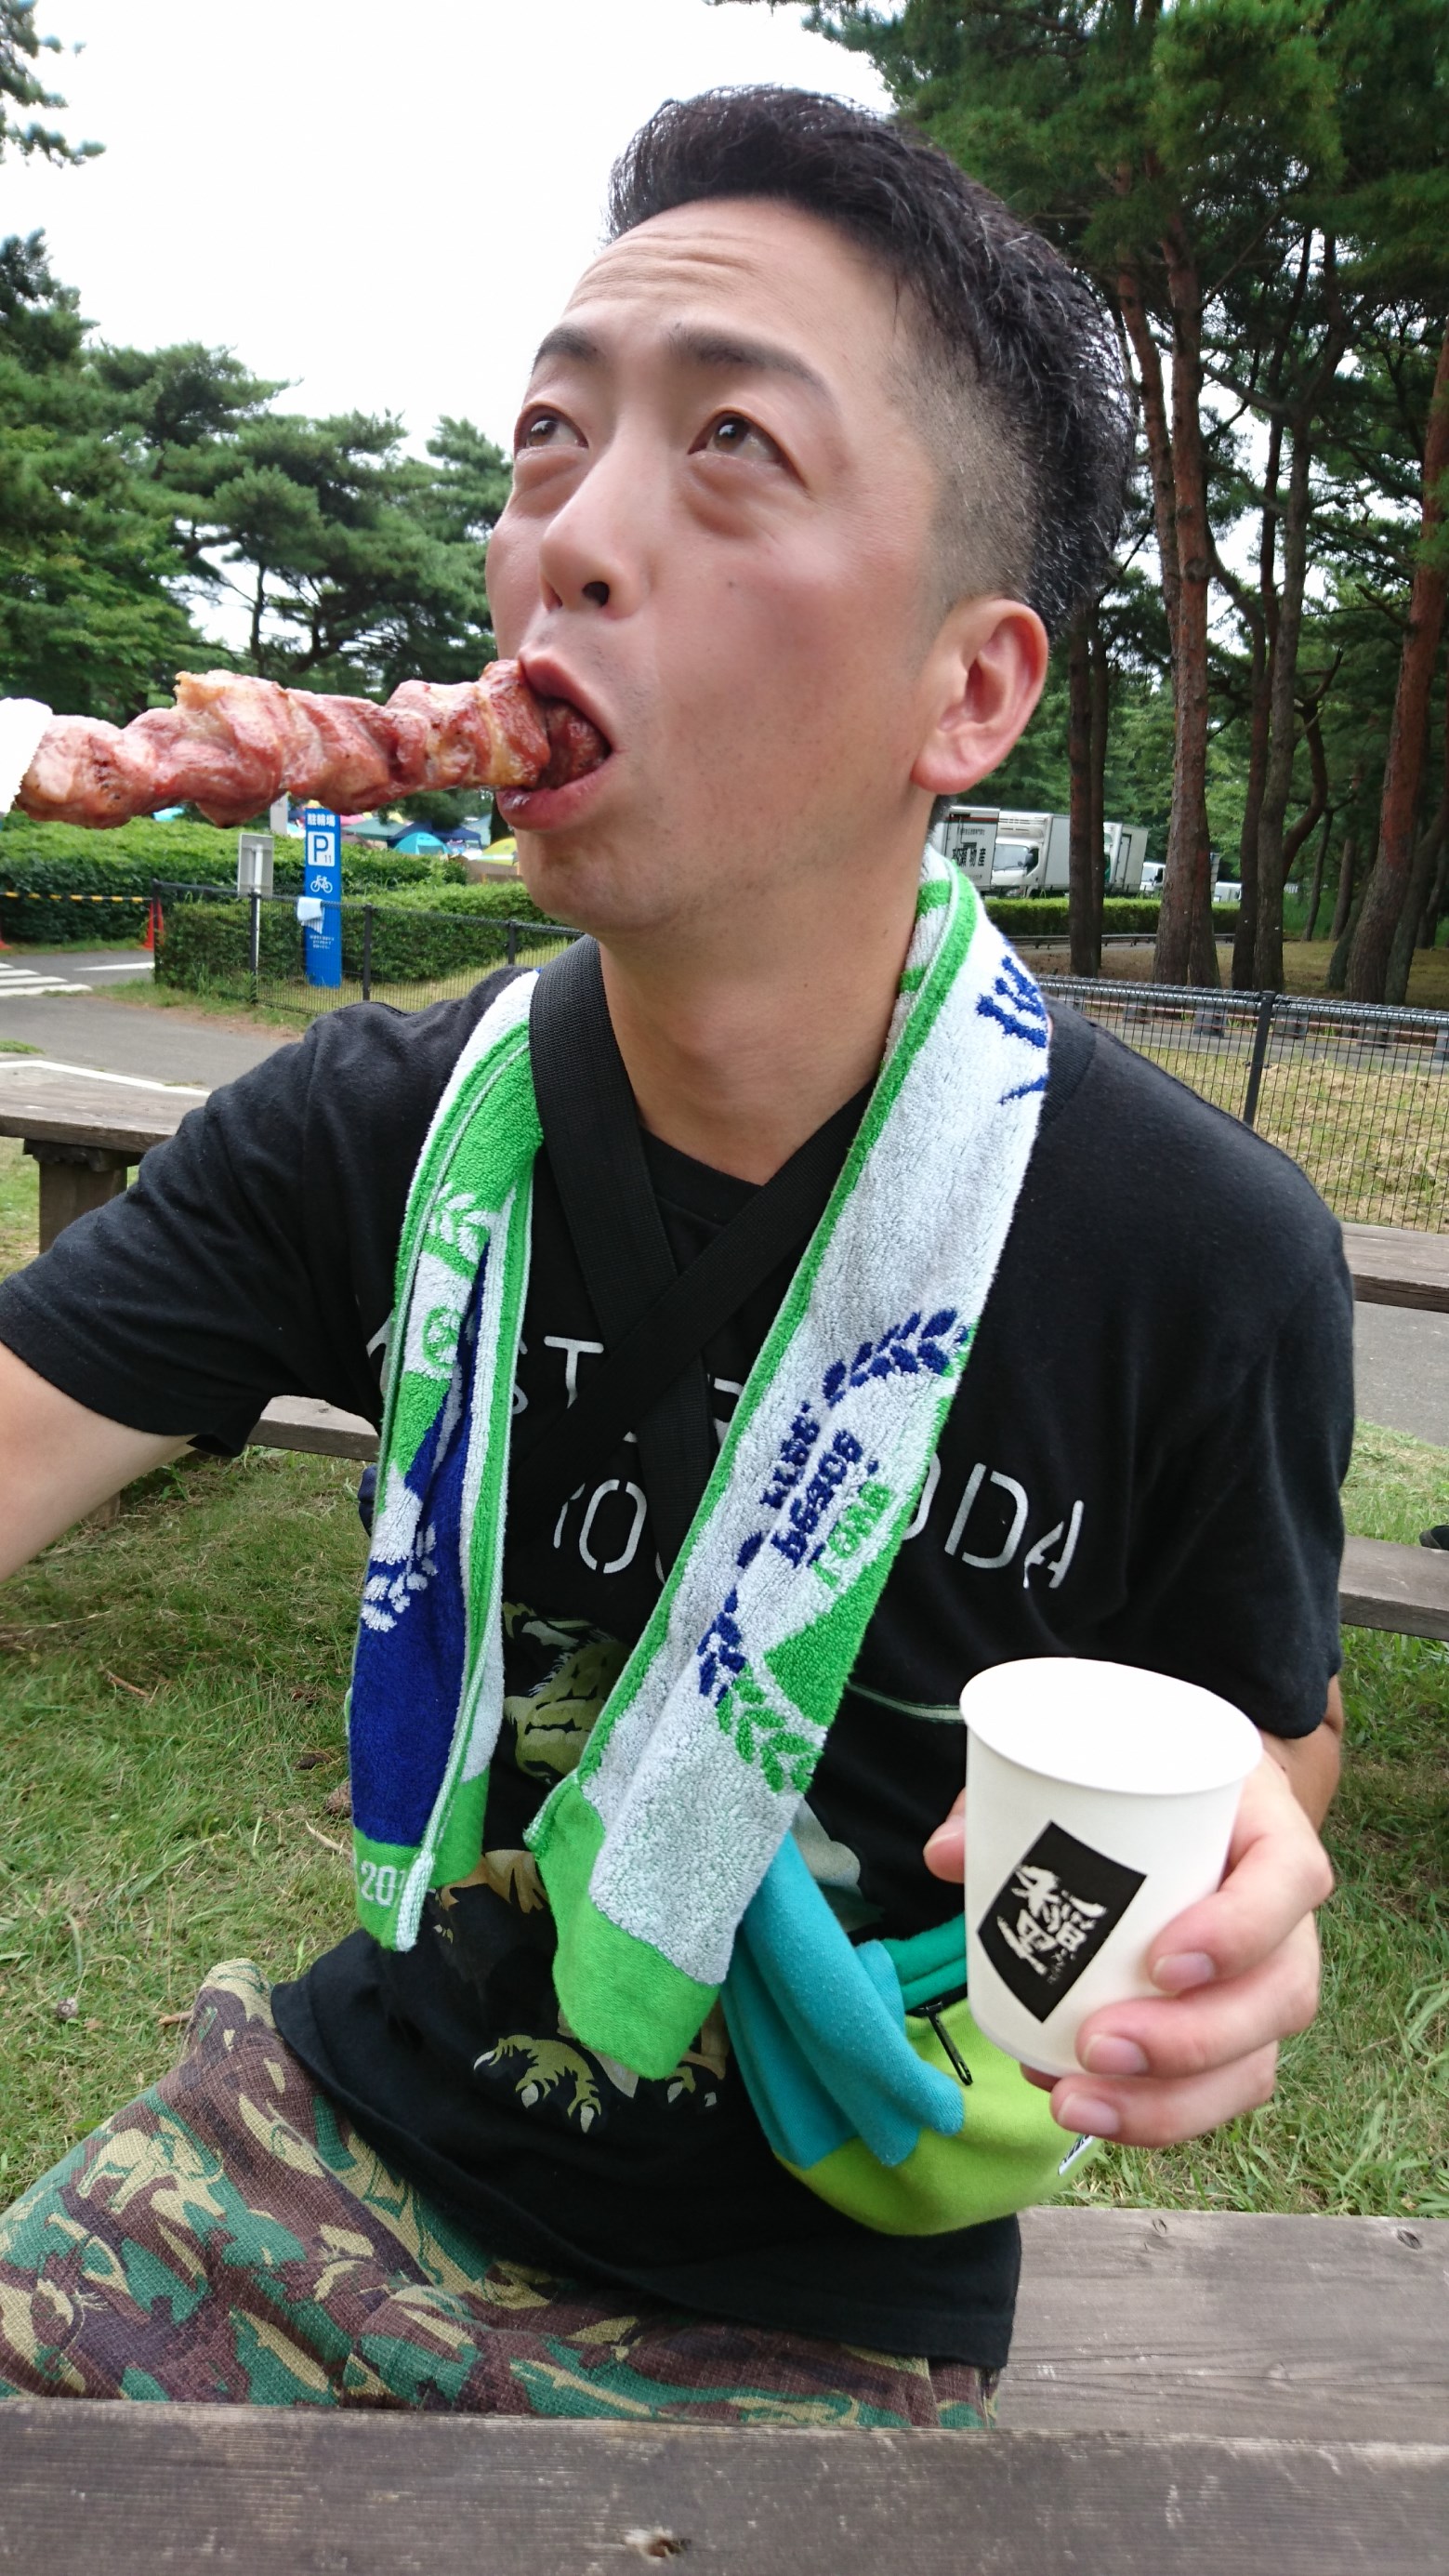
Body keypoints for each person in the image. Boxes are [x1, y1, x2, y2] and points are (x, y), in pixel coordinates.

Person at [0, 86, 1346, 2424]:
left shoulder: (1194, 1251)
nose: (571, 541)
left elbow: (1267, 1746)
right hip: (333, 2124)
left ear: (970, 690)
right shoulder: (374, 1127)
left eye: (733, 443)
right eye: (547, 437)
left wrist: (1235, 1888)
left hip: (828, 2270)